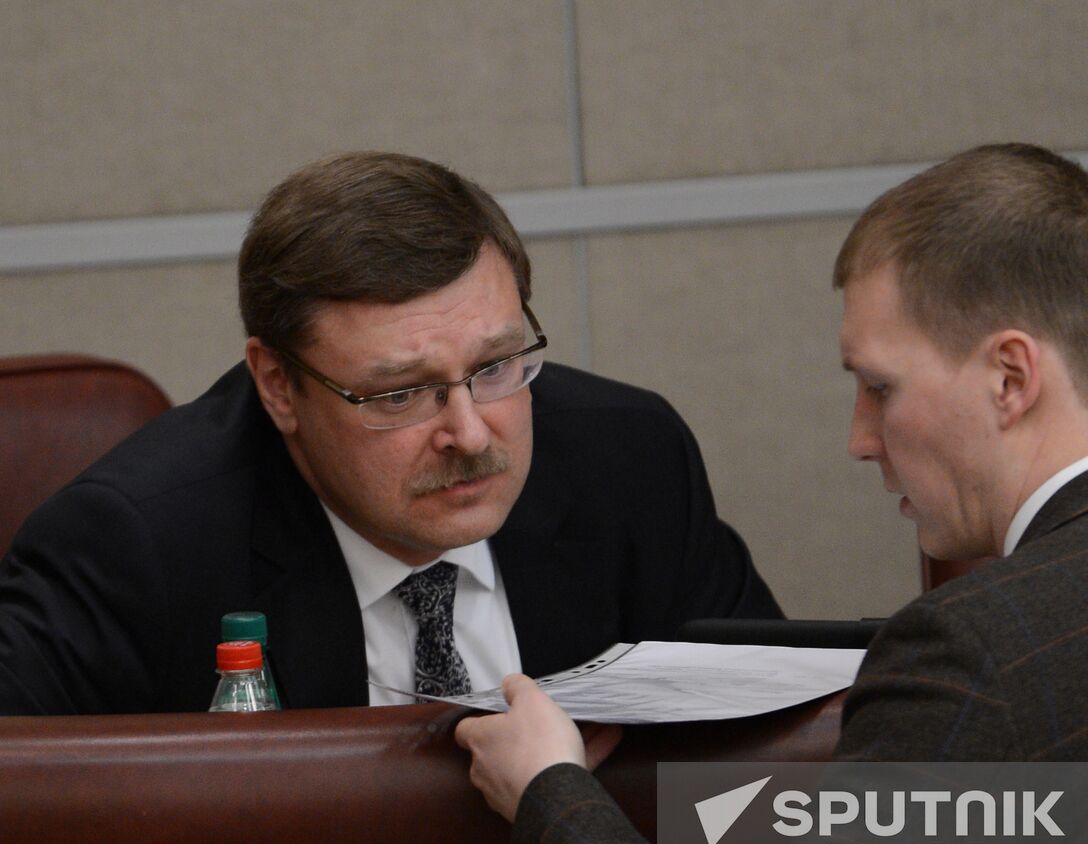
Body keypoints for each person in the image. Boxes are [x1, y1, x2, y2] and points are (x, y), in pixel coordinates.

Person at [455, 143, 1088, 844]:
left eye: (878, 387)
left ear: (1009, 377)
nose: (861, 439)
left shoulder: (976, 656)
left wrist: (550, 795)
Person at [0, 151, 781, 714]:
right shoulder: (138, 541)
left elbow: (769, 784)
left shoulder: (629, 460)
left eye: (496, 365)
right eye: (399, 393)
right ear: (279, 386)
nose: (470, 433)